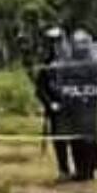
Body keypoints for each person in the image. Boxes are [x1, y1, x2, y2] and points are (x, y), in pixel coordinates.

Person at [53, 29, 97, 182]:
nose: (81, 47)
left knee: (90, 138)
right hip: (73, 107)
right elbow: (61, 85)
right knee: (76, 140)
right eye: (78, 43)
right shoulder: (66, 64)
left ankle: (95, 168)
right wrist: (68, 95)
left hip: (89, 106)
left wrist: (94, 94)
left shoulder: (95, 63)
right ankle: (81, 171)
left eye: (84, 43)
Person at [35, 26, 72, 180]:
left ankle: (84, 169)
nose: (57, 46)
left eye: (59, 41)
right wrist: (50, 104)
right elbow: (40, 90)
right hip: (56, 108)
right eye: (53, 43)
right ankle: (64, 170)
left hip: (73, 106)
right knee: (60, 141)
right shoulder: (46, 65)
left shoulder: (71, 62)